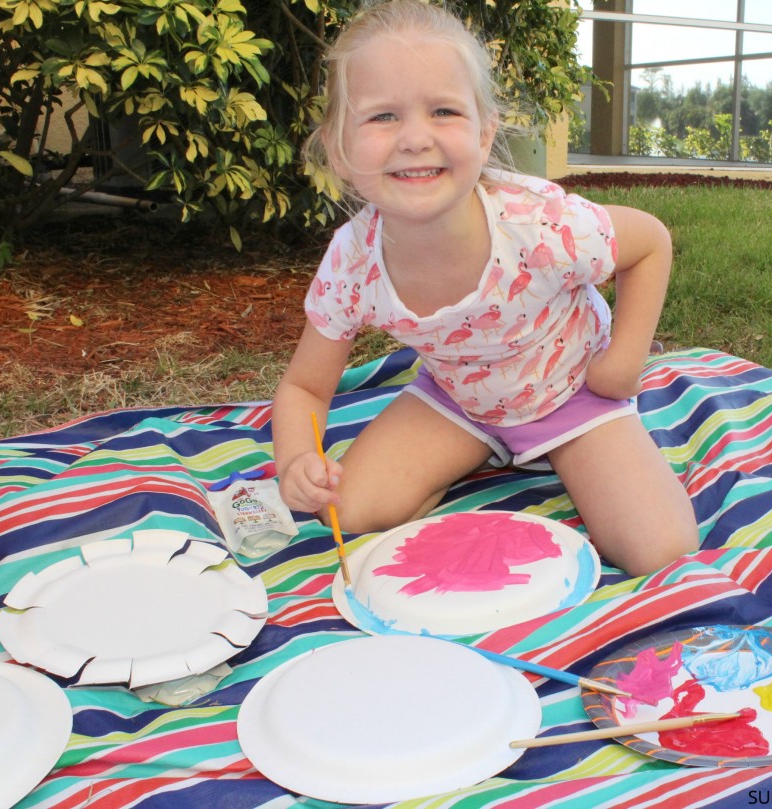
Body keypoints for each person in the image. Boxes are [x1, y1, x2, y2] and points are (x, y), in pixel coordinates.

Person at [272, 0, 698, 575]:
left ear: (484, 131)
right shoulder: (352, 263)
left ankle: (524, 452)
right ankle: (479, 453)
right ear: (338, 149)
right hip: (459, 400)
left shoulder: (538, 224)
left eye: (444, 111)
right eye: (382, 117)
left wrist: (622, 365)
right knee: (348, 509)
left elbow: (649, 243)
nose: (415, 138)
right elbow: (304, 388)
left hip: (573, 391)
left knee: (660, 548)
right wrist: (297, 458)